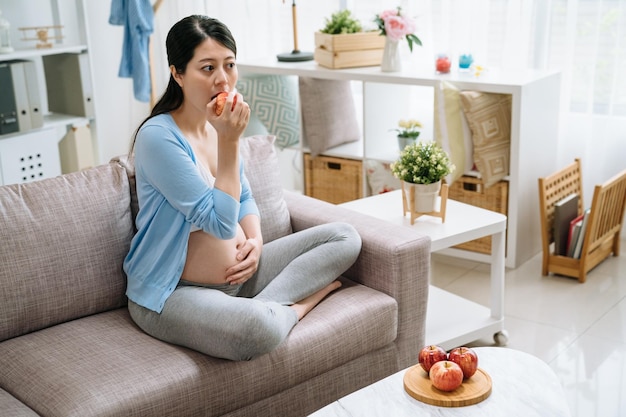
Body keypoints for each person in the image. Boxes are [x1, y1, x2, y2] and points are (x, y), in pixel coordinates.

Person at [123, 15, 362, 361]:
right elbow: (219, 223)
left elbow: (245, 197)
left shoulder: (218, 124)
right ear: (177, 73)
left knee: (345, 237)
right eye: (207, 68)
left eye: (229, 64)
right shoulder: (158, 137)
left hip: (243, 277)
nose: (223, 79)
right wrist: (230, 140)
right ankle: (293, 309)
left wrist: (255, 241)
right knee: (256, 330)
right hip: (174, 293)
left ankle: (261, 308)